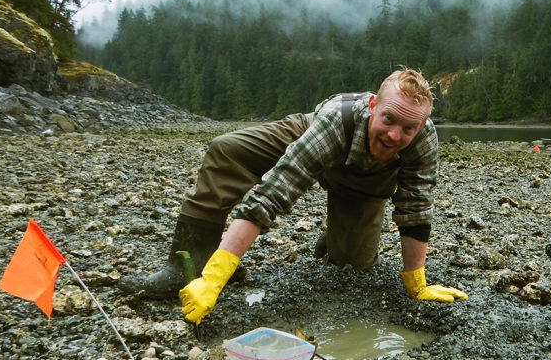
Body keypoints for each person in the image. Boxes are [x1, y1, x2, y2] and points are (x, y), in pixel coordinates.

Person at [120, 68, 467, 323]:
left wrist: (416, 283)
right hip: (313, 136)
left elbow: (415, 207)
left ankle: (334, 238)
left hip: (364, 182)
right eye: (389, 119)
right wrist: (215, 277)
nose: (394, 135)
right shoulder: (336, 119)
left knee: (353, 266)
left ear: (421, 126)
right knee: (227, 150)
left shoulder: (422, 139)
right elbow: (276, 190)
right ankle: (191, 262)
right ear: (373, 105)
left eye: (408, 128)